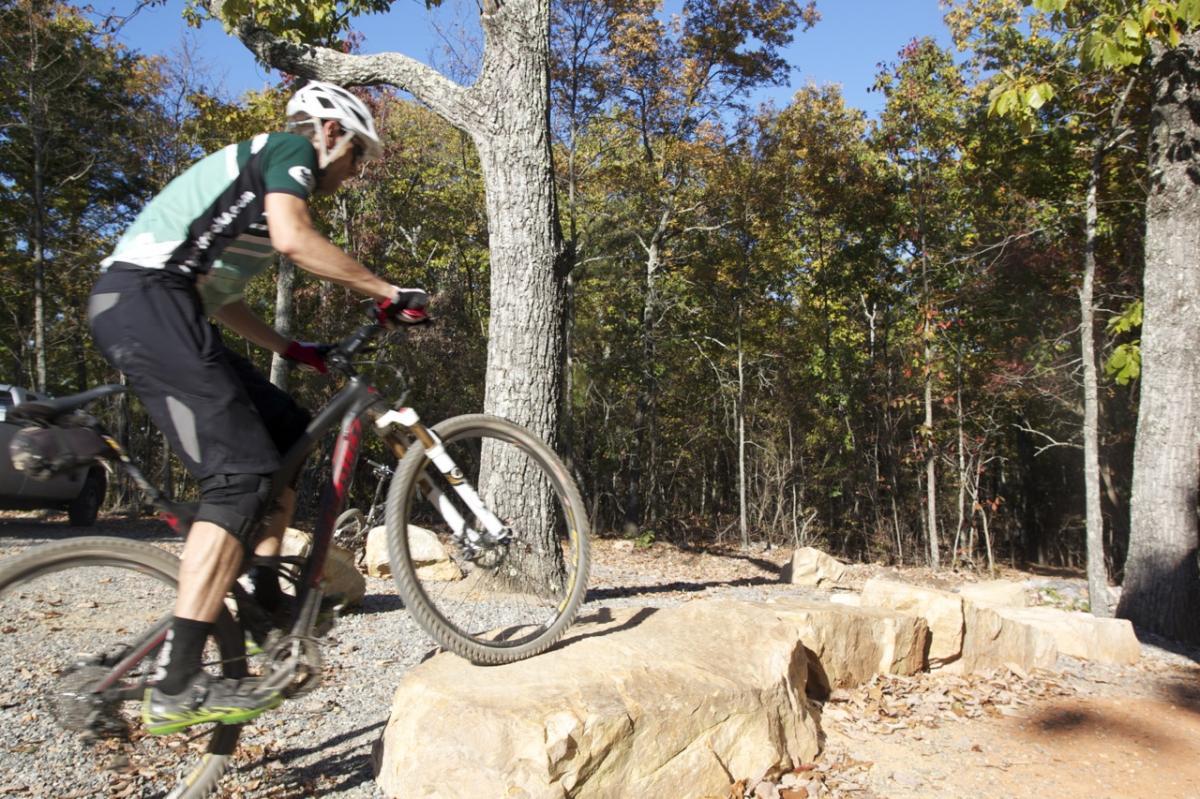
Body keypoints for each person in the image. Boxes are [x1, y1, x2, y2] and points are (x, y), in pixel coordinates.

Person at [87, 81, 428, 735]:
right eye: (358, 155)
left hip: (168, 307)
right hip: (143, 300)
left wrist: (293, 349)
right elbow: (296, 240)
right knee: (239, 477)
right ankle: (178, 681)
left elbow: (221, 300)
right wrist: (386, 290)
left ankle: (264, 591)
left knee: (286, 429)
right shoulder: (286, 152)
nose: (356, 172)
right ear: (331, 133)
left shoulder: (250, 202)